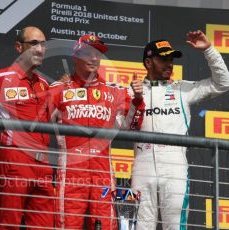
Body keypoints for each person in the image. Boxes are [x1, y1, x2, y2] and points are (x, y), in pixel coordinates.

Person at [130, 30, 229, 230]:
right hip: (143, 163)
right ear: (148, 63)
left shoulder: (183, 89)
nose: (169, 63)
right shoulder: (132, 90)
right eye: (163, 59)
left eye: (171, 59)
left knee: (175, 226)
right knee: (141, 227)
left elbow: (223, 84)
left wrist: (209, 50)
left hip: (175, 163)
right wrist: (136, 100)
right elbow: (121, 125)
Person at [49, 34, 145, 229]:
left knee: (105, 224)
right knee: (67, 224)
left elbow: (132, 126)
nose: (94, 58)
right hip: (71, 172)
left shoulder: (115, 91)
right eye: (88, 53)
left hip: (102, 171)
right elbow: (38, 124)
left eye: (98, 53)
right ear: (75, 56)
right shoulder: (58, 89)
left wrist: (137, 100)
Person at [0, 26, 54, 229]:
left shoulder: (45, 84)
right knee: (10, 221)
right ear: (19, 47)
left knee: (43, 224)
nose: (40, 49)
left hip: (43, 160)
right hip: (15, 157)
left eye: (43, 44)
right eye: (34, 43)